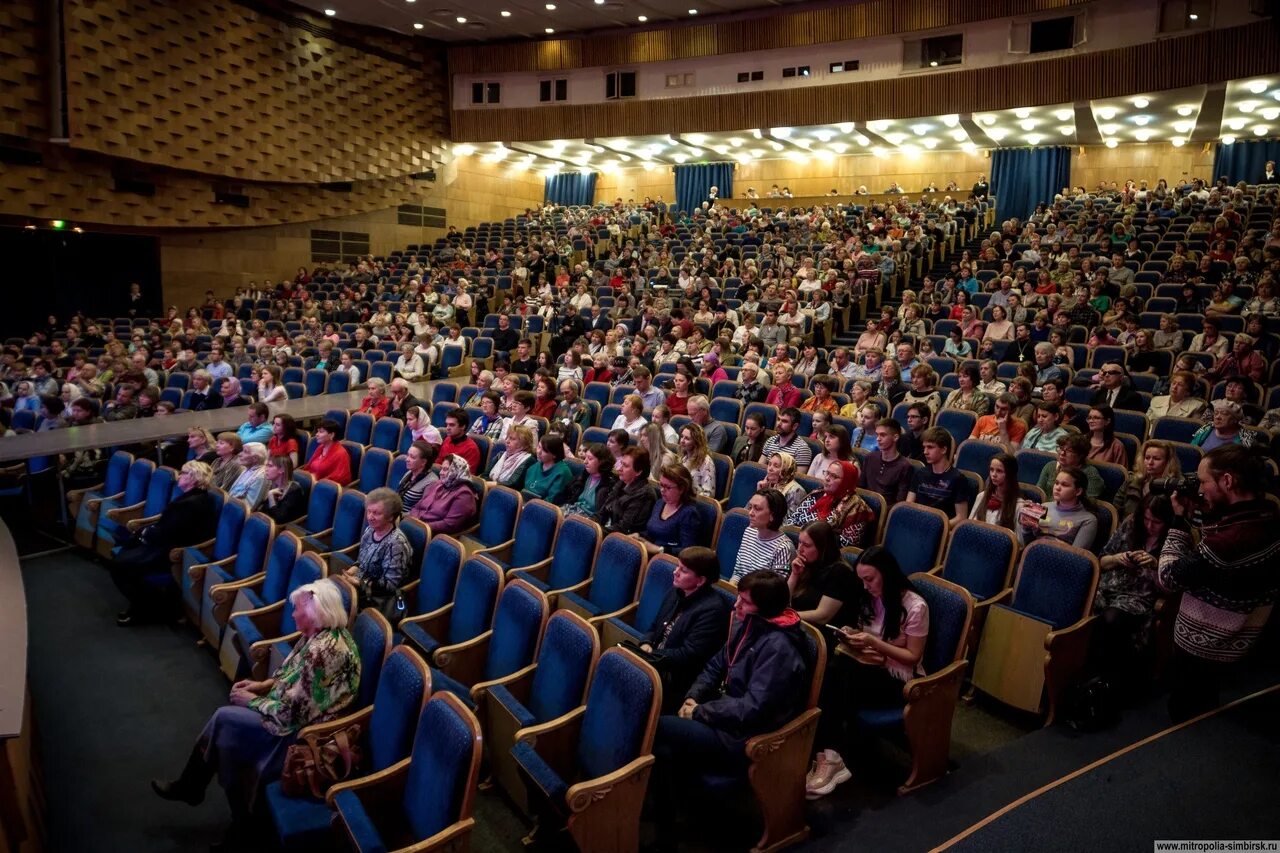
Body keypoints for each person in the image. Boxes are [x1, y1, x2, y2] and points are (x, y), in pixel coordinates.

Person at [151, 578, 359, 840]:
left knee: (226, 722)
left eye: (299, 609)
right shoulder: (322, 634)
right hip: (291, 715)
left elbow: (292, 714)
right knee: (227, 729)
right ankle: (216, 805)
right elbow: (291, 674)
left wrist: (250, 701)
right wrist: (262, 684)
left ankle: (210, 800)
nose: (293, 613)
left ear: (318, 613)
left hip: (304, 734)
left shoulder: (325, 652)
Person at [651, 571, 810, 846]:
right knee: (663, 746)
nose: (736, 606)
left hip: (743, 735)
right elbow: (716, 665)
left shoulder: (779, 649)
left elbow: (753, 709)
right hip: (720, 715)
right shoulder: (748, 625)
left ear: (765, 610)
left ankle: (666, 824)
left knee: (656, 728)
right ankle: (671, 818)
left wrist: (699, 712)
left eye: (745, 602)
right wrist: (693, 698)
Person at [1158, 446, 1280, 721]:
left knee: (1186, 715)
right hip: (1240, 636)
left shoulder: (1228, 543)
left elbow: (1168, 578)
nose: (1199, 489)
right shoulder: (1267, 513)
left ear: (1227, 481)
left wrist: (1178, 522)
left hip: (1205, 645)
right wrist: (1207, 510)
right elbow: (1223, 535)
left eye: (1203, 482)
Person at [806, 546, 928, 799]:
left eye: (869, 579)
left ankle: (828, 756)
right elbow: (869, 635)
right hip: (869, 667)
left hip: (900, 680)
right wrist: (852, 636)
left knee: (834, 680)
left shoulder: (915, 606)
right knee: (827, 674)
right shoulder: (870, 598)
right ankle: (826, 754)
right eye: (861, 580)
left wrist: (874, 643)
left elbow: (913, 657)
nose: (865, 586)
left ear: (887, 574)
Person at [109, 461, 219, 626]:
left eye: (183, 472)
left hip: (173, 550)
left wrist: (146, 534)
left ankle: (148, 607)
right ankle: (146, 604)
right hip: (166, 543)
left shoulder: (192, 503)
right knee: (125, 553)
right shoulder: (191, 498)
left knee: (122, 565)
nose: (179, 475)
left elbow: (172, 531)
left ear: (194, 477)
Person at [1092, 493, 1175, 690]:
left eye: (1156, 522)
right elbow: (1101, 561)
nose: (1149, 526)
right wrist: (1117, 558)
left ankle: (1108, 679)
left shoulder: (1174, 538)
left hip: (1141, 596)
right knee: (1085, 605)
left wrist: (1156, 565)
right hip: (1110, 585)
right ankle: (1086, 669)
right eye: (1146, 519)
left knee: (1112, 619)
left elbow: (1171, 587)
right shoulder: (1131, 524)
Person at [636, 546, 732, 712]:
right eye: (678, 566)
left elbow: (689, 654)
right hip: (655, 661)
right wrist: (646, 642)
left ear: (700, 580)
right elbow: (654, 627)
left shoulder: (714, 610)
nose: (675, 572)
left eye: (683, 570)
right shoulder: (676, 591)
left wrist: (651, 655)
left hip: (676, 678)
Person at [786, 460, 876, 548]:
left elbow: (848, 544)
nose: (827, 478)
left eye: (834, 476)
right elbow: (792, 520)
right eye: (827, 473)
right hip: (796, 544)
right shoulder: (817, 494)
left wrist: (811, 541)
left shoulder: (857, 507)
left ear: (846, 481)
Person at [1018, 466, 1098, 549]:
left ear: (1078, 491)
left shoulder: (1088, 520)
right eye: (1056, 483)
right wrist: (1026, 528)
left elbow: (1076, 557)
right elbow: (1029, 544)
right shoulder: (1044, 507)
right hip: (1035, 555)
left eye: (1064, 485)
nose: (1057, 488)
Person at [907, 428, 974, 522]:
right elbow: (908, 505)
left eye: (930, 447)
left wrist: (939, 527)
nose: (925, 452)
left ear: (943, 449)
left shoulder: (958, 479)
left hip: (940, 529)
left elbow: (961, 517)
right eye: (924, 447)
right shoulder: (920, 473)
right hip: (917, 523)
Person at [732, 489, 796, 582]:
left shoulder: (783, 548)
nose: (750, 513)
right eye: (750, 507)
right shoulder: (749, 531)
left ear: (772, 515)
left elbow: (773, 589)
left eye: (757, 509)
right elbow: (738, 572)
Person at [408, 454, 478, 535]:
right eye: (441, 469)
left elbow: (449, 525)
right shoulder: (438, 484)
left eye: (445, 470)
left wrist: (422, 526)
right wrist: (413, 520)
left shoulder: (465, 495)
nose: (440, 473)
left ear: (456, 471)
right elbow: (417, 506)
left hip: (434, 534)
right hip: (417, 526)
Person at [642, 464, 701, 555]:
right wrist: (639, 536)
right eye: (661, 485)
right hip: (649, 555)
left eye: (668, 487)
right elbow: (653, 531)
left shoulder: (689, 513)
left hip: (668, 561)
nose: (662, 490)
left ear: (682, 489)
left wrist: (661, 550)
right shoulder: (659, 503)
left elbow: (688, 551)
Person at [597, 446, 657, 535]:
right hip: (606, 531)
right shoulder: (621, 483)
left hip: (620, 540)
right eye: (621, 463)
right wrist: (589, 523)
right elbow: (602, 513)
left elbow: (624, 529)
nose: (619, 469)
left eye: (625, 466)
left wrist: (595, 532)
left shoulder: (644, 495)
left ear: (638, 472)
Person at [1037, 433, 1106, 500]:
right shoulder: (1050, 466)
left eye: (1069, 451)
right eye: (1061, 448)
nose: (1062, 453)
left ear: (1081, 455)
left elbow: (1089, 503)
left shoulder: (1090, 473)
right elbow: (1038, 494)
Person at [862, 418, 913, 506]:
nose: (878, 439)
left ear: (895, 437)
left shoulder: (905, 466)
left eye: (883, 435)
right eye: (877, 435)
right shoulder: (870, 457)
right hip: (863, 507)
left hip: (885, 512)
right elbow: (860, 487)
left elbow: (899, 502)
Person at [562, 443, 617, 518]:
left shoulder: (610, 485)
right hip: (572, 511)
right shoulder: (584, 475)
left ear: (602, 462)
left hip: (590, 520)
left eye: (590, 459)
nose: (585, 462)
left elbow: (604, 515)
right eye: (585, 458)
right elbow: (567, 495)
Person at [970, 453, 1024, 531]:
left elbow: (1018, 541)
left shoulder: (1018, 506)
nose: (993, 474)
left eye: (999, 471)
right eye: (991, 470)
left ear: (1010, 474)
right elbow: (969, 525)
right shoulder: (981, 496)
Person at [299, 419, 353, 485]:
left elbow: (341, 478)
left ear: (332, 435)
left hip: (322, 487)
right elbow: (309, 467)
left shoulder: (341, 454)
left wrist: (317, 481)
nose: (316, 434)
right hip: (311, 482)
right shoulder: (320, 447)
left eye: (321, 432)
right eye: (317, 431)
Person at [523, 434, 573, 504]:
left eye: (544, 450)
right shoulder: (535, 465)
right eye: (539, 447)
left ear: (554, 454)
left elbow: (551, 501)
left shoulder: (563, 473)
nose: (538, 452)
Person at [1190, 399, 1255, 450]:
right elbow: (1192, 451)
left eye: (1224, 413)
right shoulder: (1206, 429)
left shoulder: (1244, 440)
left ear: (1235, 420)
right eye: (1216, 413)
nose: (1218, 417)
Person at [396, 440, 439, 512]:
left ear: (423, 462)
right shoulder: (409, 473)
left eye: (412, 457)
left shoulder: (432, 482)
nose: (407, 459)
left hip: (408, 519)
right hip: (395, 513)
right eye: (408, 455)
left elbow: (423, 511)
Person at [261, 455, 305, 524]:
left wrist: (271, 497)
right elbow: (263, 511)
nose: (266, 469)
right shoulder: (274, 485)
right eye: (266, 466)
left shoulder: (294, 490)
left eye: (270, 466)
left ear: (282, 469)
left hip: (281, 529)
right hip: (267, 524)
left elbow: (279, 519)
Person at [678, 423, 716, 498]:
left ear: (696, 442)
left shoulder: (706, 462)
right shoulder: (684, 457)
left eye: (687, 438)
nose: (682, 441)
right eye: (682, 437)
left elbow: (708, 494)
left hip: (694, 502)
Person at [228, 442, 269, 508]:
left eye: (245, 452)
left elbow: (249, 506)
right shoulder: (247, 470)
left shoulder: (260, 476)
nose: (240, 454)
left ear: (255, 458)